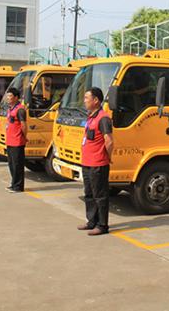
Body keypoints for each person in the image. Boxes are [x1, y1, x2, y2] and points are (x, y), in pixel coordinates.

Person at [77, 87, 114, 236]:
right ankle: (91, 221)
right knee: (89, 194)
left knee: (100, 195)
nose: (84, 101)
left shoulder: (103, 118)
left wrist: (108, 157)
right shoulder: (91, 117)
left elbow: (109, 141)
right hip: (87, 162)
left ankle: (102, 225)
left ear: (96, 100)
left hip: (98, 163)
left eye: (87, 98)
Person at [4, 87, 28, 192]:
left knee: (17, 165)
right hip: (10, 140)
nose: (8, 98)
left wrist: (24, 136)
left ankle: (18, 186)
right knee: (11, 164)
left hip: (17, 141)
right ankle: (13, 183)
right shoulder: (10, 108)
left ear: (16, 97)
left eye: (10, 96)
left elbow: (23, 125)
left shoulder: (20, 110)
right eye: (7, 96)